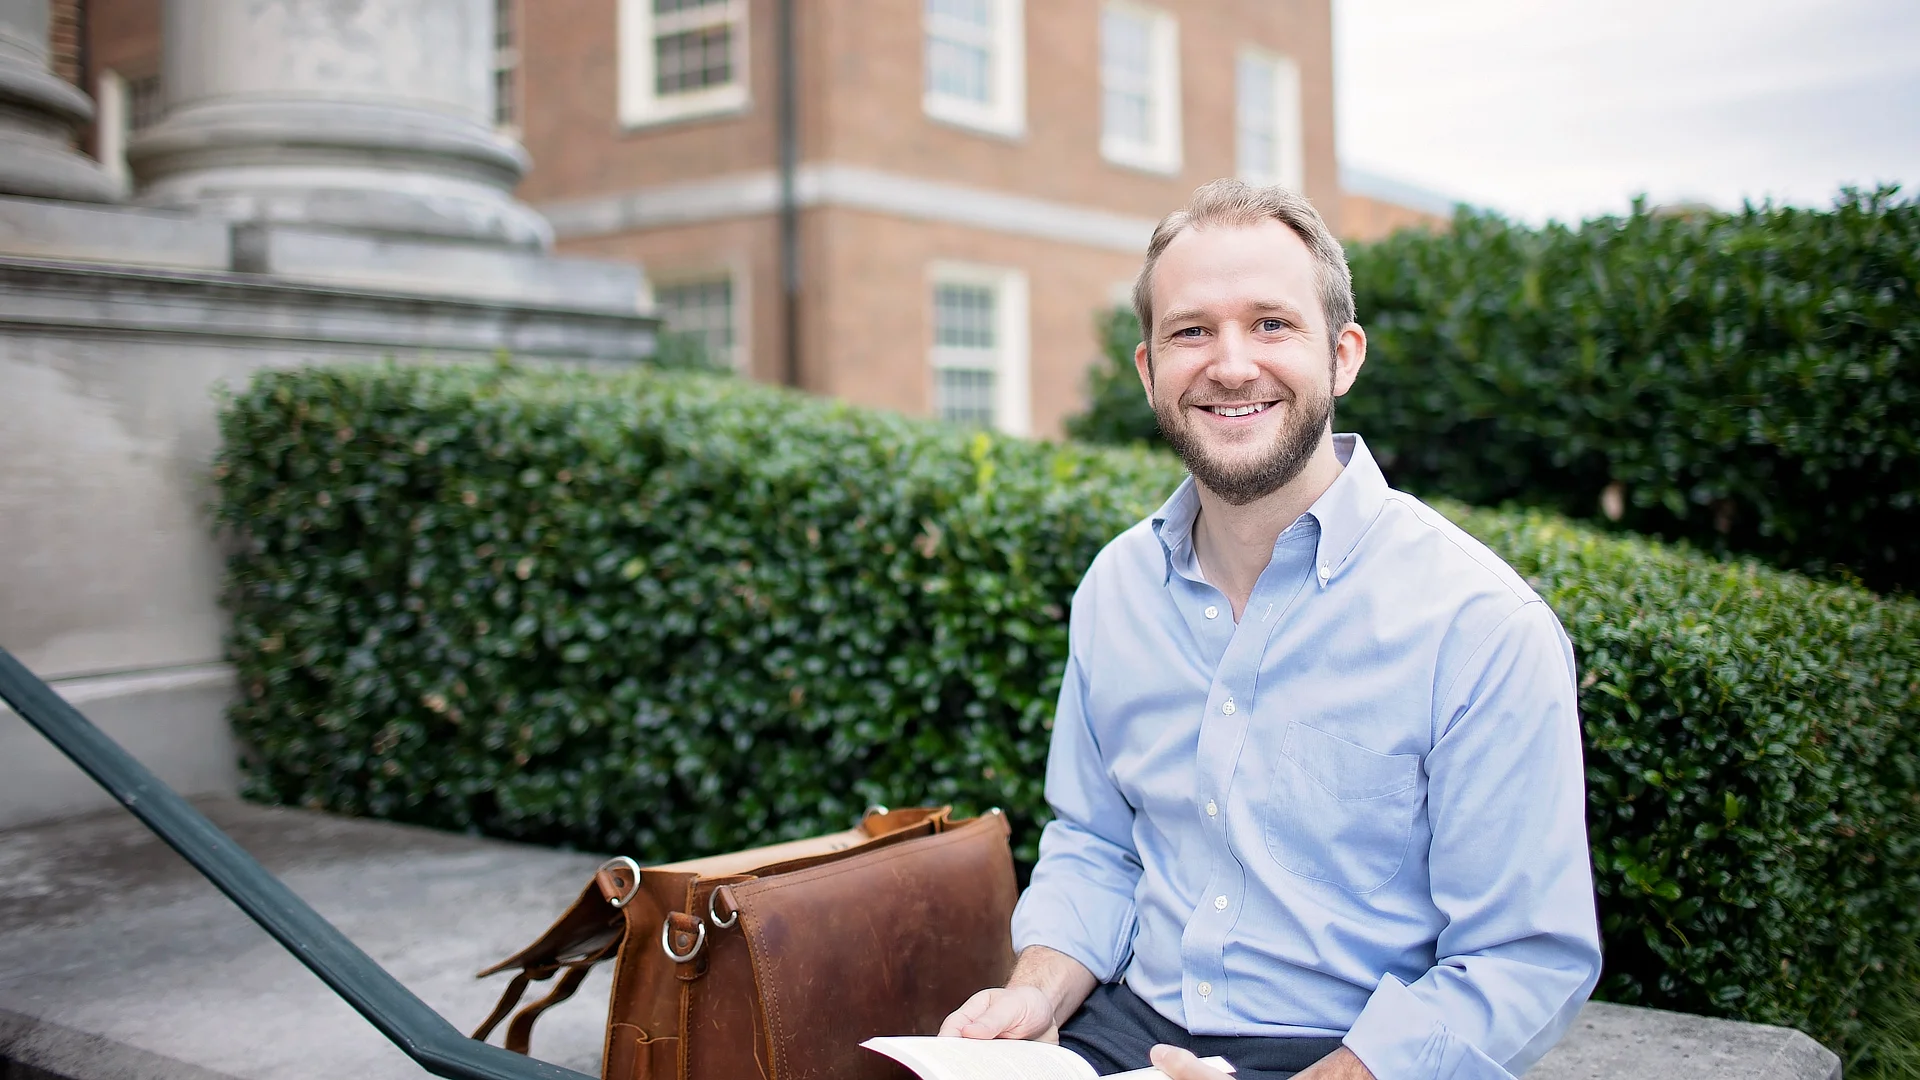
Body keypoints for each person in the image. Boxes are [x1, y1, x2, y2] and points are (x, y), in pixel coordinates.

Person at [937, 180, 1602, 1080]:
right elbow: (1097, 844)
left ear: (1344, 355)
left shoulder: (1481, 627)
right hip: (1120, 1034)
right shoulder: (1117, 588)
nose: (1232, 364)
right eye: (1191, 331)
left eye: (1272, 325)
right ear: (1148, 371)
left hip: (1349, 1059)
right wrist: (1037, 993)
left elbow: (1525, 956)